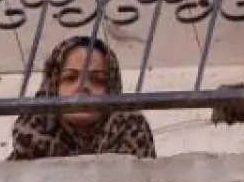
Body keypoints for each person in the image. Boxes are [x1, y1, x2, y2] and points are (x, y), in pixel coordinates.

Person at [8, 35, 156, 160]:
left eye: (98, 80)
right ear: (52, 87)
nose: (83, 86)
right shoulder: (30, 137)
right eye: (70, 77)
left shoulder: (131, 129)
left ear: (112, 89)